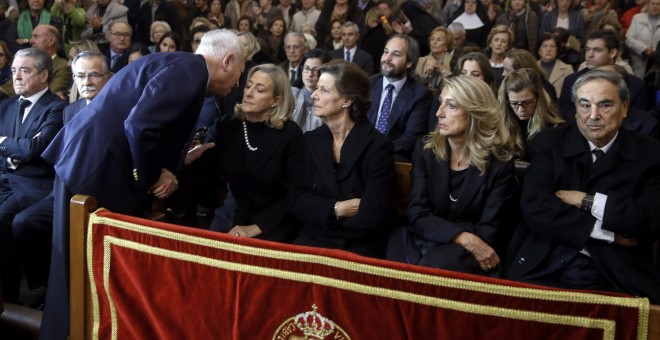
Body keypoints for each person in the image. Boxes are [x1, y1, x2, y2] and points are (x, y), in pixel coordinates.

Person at [39, 29, 245, 340]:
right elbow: (140, 125)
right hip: (95, 170)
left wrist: (177, 162)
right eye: (240, 73)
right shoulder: (192, 70)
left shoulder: (181, 66)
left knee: (80, 268)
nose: (237, 84)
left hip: (90, 164)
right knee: (80, 270)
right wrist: (152, 177)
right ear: (228, 61)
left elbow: (147, 124)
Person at [505, 69, 660, 304]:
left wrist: (586, 200)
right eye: (585, 105)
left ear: (625, 107)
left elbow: (649, 218)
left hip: (616, 271)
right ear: (575, 108)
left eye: (605, 105)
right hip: (545, 261)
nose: (593, 115)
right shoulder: (550, 143)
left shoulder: (651, 154)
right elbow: (535, 206)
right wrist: (607, 233)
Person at [386, 75, 521, 275]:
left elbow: (488, 231)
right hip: (426, 238)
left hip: (470, 251)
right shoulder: (426, 150)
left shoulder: (499, 163)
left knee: (438, 267)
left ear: (475, 113)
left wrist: (459, 238)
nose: (439, 113)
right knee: (394, 261)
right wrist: (463, 235)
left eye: (451, 106)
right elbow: (417, 214)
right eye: (440, 103)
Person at [8, 51, 111, 309]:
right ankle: (47, 288)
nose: (86, 81)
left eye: (93, 75)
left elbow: (34, 150)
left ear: (108, 78)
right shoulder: (71, 110)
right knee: (24, 222)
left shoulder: (120, 109)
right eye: (80, 76)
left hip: (102, 192)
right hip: (64, 188)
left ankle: (70, 295)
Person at [290, 60, 395, 258]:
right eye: (317, 89)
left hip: (359, 244)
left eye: (324, 90)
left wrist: (320, 211)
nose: (314, 95)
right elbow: (296, 200)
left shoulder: (378, 147)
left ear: (347, 100)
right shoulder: (311, 140)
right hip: (314, 238)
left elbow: (374, 213)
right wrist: (337, 209)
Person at [189, 64, 303, 241]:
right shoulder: (226, 125)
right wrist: (187, 158)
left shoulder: (289, 134)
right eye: (248, 86)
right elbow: (204, 172)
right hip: (234, 211)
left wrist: (257, 227)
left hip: (275, 219)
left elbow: (295, 194)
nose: (248, 93)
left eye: (259, 90)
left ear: (276, 101)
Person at [0, 48, 66, 306]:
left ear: (44, 75)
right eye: (14, 70)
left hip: (34, 185)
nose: (16, 76)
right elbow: (25, 149)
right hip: (5, 178)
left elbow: (36, 149)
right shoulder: (5, 106)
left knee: (2, 221)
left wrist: (6, 144)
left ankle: (9, 300)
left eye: (24, 70)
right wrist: (15, 151)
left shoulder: (57, 108)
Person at [367, 34, 433, 161]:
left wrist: (376, 151)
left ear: (409, 62)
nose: (387, 58)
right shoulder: (367, 84)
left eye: (396, 54)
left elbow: (411, 138)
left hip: (392, 158)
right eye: (386, 52)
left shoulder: (421, 96)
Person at [559, 29, 647, 123]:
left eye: (597, 50)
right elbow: (566, 115)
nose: (590, 55)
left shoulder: (636, 85)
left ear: (612, 53)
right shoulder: (571, 81)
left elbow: (638, 121)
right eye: (587, 49)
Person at [498, 68, 564, 159]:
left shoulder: (555, 128)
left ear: (538, 98)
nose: (521, 109)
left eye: (527, 102)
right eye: (514, 103)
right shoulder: (500, 125)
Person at [30, 24, 72, 101]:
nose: (31, 41)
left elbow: (51, 94)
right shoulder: (29, 64)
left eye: (36, 36)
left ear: (51, 40)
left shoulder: (63, 66)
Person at [292, 49, 329, 132]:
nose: (310, 74)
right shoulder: (291, 94)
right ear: (301, 70)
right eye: (307, 68)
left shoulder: (328, 99)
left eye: (315, 69)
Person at [625, 0, 660, 78]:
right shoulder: (637, 18)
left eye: (658, 4)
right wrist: (644, 49)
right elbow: (629, 39)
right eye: (653, 4)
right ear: (648, 5)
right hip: (639, 60)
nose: (655, 6)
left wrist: (655, 52)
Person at [537, 32, 573, 99]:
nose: (548, 49)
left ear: (557, 50)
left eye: (552, 46)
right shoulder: (531, 67)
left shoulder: (567, 69)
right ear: (539, 50)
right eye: (545, 46)